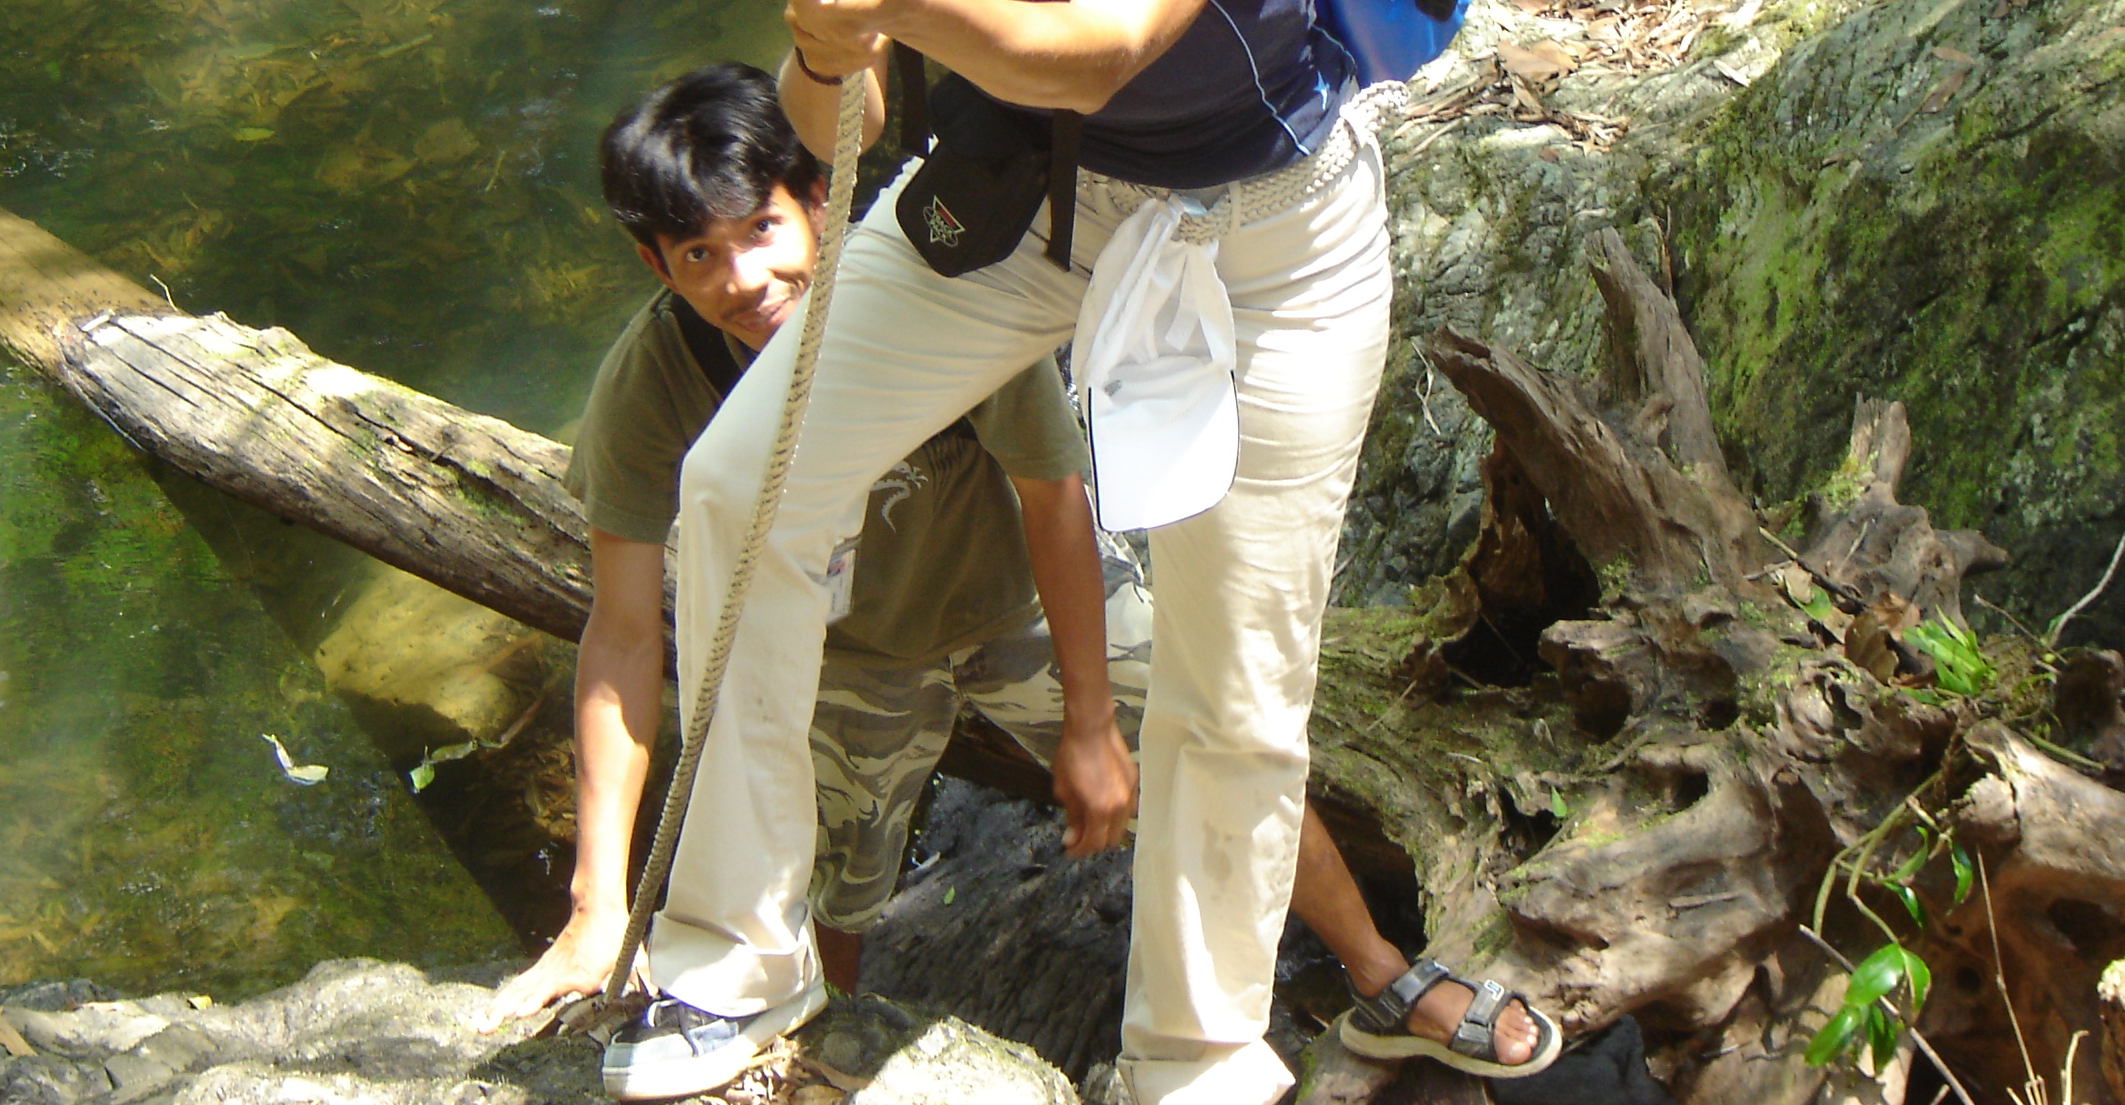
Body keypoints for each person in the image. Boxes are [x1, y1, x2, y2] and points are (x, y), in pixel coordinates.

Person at [611, 0, 1557, 1105]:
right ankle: (729, 963)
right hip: (1027, 200)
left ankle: (1193, 1061)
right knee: (739, 487)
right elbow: (826, 108)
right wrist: (835, 38)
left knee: (1233, 675)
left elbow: (1110, 36)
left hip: (1275, 240)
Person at [479, 65, 1544, 1093]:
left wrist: (1088, 719)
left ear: (818, 198)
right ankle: (791, 1052)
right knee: (827, 890)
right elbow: (622, 638)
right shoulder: (653, 379)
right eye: (697, 255)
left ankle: (1377, 973)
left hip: (1021, 602)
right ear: (656, 266)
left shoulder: (916, 304)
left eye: (760, 230)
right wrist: (596, 899)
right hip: (856, 659)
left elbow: (1052, 496)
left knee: (1208, 729)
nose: (742, 280)